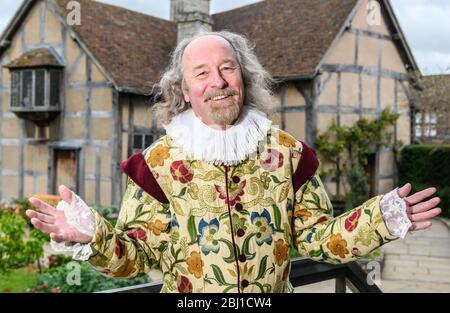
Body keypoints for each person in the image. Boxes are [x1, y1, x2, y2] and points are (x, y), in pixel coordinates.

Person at [26, 31, 441, 293]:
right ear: (185, 91)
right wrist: (91, 238)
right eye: (202, 73)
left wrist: (381, 220)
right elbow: (136, 258)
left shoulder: (288, 153)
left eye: (227, 68)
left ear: (243, 78)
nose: (218, 82)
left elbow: (318, 239)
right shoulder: (157, 164)